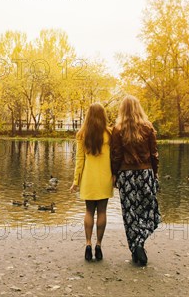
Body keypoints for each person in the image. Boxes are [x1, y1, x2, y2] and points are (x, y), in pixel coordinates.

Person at [110, 95, 161, 266]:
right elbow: (154, 153)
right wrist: (155, 173)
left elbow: (116, 154)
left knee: (130, 213)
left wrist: (114, 173)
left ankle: (136, 246)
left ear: (122, 109)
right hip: (145, 174)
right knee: (148, 211)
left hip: (126, 175)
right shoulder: (148, 127)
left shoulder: (117, 129)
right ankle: (140, 244)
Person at [70, 103, 114, 261]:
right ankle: (99, 245)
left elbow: (79, 160)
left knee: (89, 211)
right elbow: (113, 158)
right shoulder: (109, 133)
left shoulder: (82, 134)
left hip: (88, 178)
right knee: (102, 212)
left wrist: (76, 181)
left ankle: (88, 244)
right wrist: (115, 176)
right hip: (105, 178)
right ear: (103, 115)